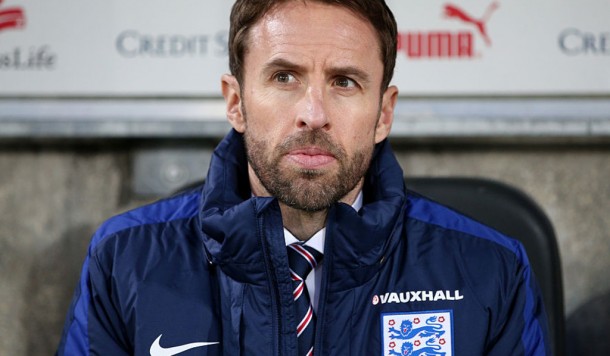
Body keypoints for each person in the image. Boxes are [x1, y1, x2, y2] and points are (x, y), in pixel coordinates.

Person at [57, 0, 550, 355]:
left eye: (344, 82)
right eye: (284, 77)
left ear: (383, 113)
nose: (313, 114)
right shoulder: (124, 260)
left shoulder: (491, 269)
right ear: (236, 102)